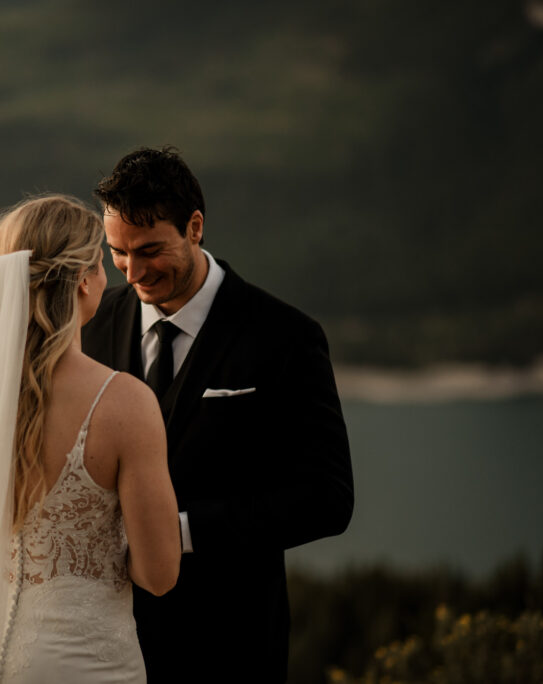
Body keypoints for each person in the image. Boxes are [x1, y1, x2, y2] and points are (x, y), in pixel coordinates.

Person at [81, 147, 354, 682]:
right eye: (118, 252)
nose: (132, 272)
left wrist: (177, 531)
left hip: (231, 644)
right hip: (106, 641)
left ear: (195, 227)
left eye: (150, 250)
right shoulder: (91, 325)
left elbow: (328, 500)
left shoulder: (286, 338)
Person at [0, 194, 181, 684]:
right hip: (85, 664)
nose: (108, 276)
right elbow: (158, 575)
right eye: (101, 262)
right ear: (81, 278)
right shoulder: (124, 405)